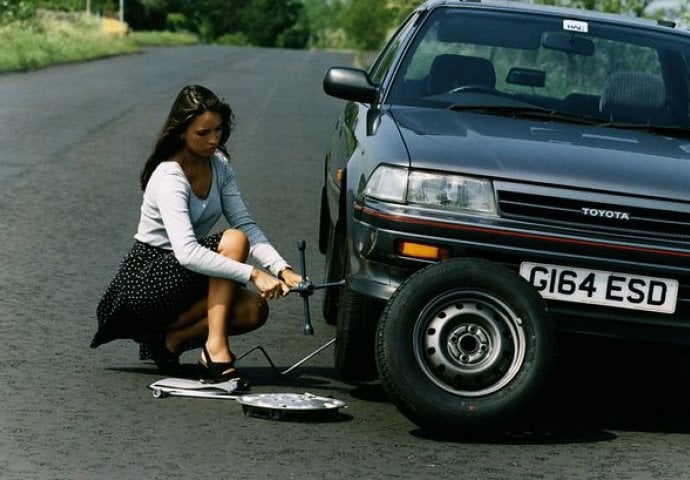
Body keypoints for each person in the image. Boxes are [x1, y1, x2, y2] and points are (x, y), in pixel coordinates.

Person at [91, 85, 302, 384]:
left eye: (218, 130)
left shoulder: (220, 166)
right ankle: (216, 350)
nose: (214, 140)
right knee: (233, 241)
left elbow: (245, 222)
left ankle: (172, 341)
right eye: (203, 133)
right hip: (146, 281)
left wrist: (282, 268)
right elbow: (187, 252)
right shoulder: (169, 176)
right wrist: (254, 275)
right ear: (181, 132)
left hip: (187, 275)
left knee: (254, 309)